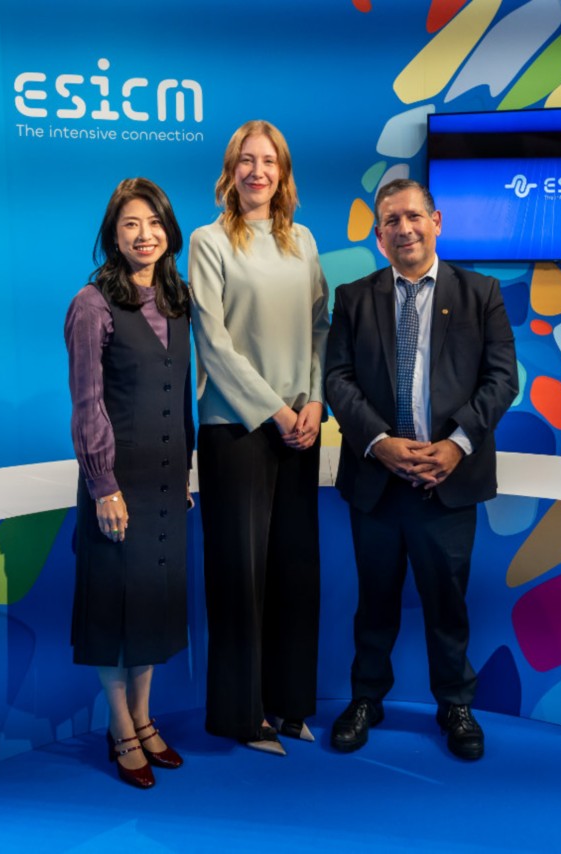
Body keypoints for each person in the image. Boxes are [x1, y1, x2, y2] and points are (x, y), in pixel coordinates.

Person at [323, 178, 517, 761]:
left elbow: (502, 379)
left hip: (448, 482)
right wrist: (380, 442)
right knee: (374, 602)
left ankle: (455, 704)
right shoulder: (354, 298)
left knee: (447, 603)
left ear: (436, 221)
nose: (404, 229)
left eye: (413, 216)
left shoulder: (480, 293)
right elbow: (337, 380)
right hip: (377, 481)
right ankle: (366, 698)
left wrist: (456, 445)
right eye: (391, 221)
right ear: (379, 235)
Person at [189, 120, 330, 755]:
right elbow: (213, 343)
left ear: (283, 172)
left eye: (269, 161)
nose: (257, 171)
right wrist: (275, 410)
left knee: (296, 573)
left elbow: (321, 326)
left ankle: (290, 705)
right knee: (239, 578)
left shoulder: (303, 240)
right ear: (231, 171)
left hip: (301, 428)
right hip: (237, 429)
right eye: (246, 160)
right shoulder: (209, 241)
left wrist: (316, 400)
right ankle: (241, 717)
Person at [64, 177, 194, 789]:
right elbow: (87, 403)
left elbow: (180, 395)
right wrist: (103, 484)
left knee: (151, 607)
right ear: (113, 236)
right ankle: (120, 728)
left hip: (168, 481)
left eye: (155, 223)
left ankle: (144, 718)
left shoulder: (177, 298)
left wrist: (185, 472)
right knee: (115, 611)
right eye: (131, 225)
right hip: (118, 484)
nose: (145, 235)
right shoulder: (91, 305)